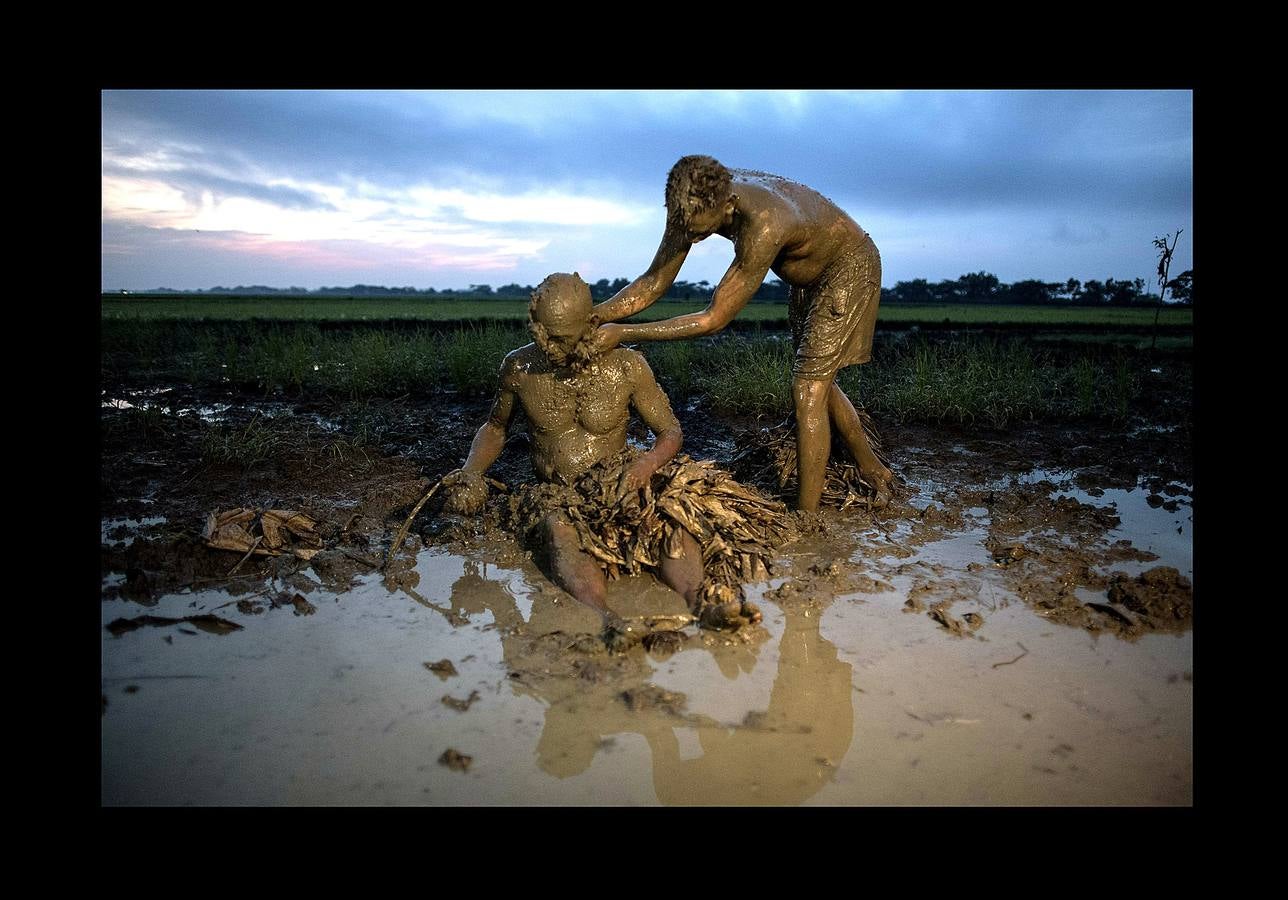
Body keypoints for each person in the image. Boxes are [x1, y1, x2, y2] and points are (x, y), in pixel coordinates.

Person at [440, 273, 779, 644]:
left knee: (671, 519)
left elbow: (670, 432)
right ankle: (608, 618)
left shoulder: (627, 365)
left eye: (563, 338)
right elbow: (495, 427)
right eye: (544, 336)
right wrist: (471, 471)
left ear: (589, 325)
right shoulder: (519, 368)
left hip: (618, 478)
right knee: (558, 529)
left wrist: (647, 464)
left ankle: (702, 605)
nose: (551, 349)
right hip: (559, 491)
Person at [590, 155, 894, 512]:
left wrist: (623, 333)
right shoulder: (692, 198)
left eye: (701, 232)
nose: (690, 238)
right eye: (685, 228)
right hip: (808, 279)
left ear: (729, 205)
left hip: (848, 267)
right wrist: (594, 316)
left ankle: (807, 517)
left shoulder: (765, 224)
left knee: (808, 388)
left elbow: (714, 319)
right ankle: (871, 465)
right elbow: (655, 280)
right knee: (816, 381)